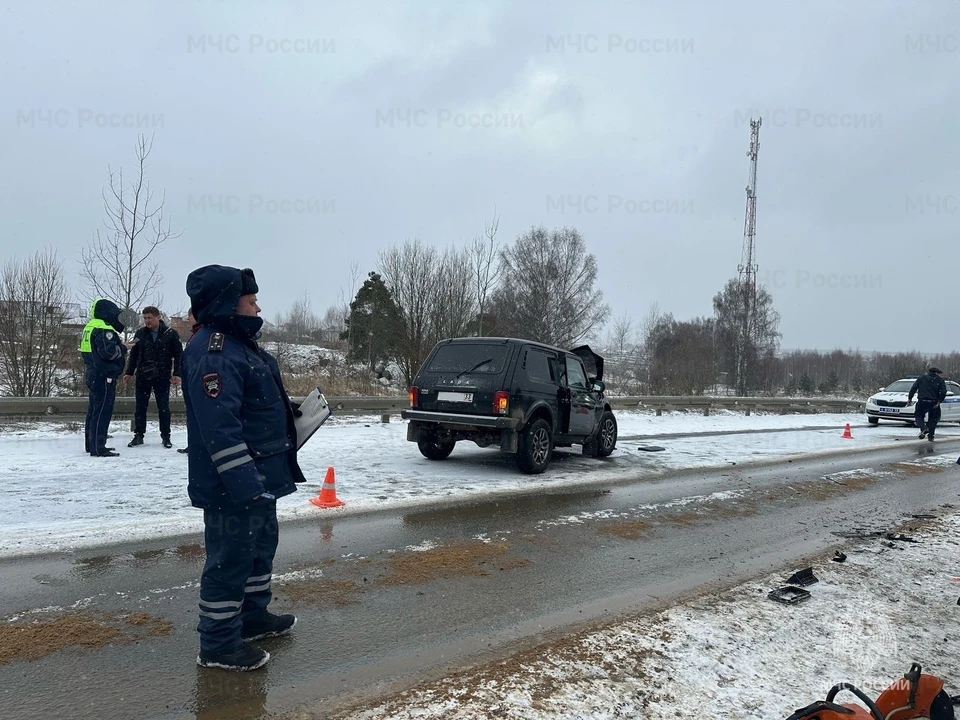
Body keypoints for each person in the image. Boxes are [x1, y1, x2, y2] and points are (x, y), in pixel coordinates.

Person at [182, 265, 304, 671]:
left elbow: (254, 408)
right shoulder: (213, 350)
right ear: (227, 305)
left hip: (261, 479)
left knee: (258, 551)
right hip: (233, 486)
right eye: (251, 300)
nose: (258, 306)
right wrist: (245, 485)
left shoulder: (240, 344)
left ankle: (252, 616)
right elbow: (220, 428)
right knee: (229, 560)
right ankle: (217, 644)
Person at [123, 306, 183, 449]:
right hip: (143, 375)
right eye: (145, 318)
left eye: (149, 318)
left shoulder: (170, 334)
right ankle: (138, 435)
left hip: (162, 375)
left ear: (158, 317)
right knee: (140, 407)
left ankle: (166, 436)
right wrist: (129, 371)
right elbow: (134, 354)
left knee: (163, 407)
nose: (147, 321)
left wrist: (177, 374)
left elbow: (179, 355)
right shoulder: (141, 333)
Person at [79, 299, 127, 457]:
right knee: (102, 411)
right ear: (107, 312)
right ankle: (99, 447)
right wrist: (124, 348)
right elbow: (109, 353)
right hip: (103, 375)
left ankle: (91, 444)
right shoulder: (103, 328)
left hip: (93, 372)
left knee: (93, 410)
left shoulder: (90, 326)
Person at [178, 308, 200, 455]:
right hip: (190, 381)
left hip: (196, 382)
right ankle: (193, 443)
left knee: (197, 418)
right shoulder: (195, 335)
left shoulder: (201, 335)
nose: (188, 318)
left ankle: (196, 445)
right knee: (193, 418)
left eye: (190, 315)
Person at [907, 367, 947, 441]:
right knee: (933, 419)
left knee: (918, 416)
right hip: (934, 402)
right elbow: (943, 392)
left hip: (922, 401)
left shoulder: (921, 378)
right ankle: (931, 435)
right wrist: (939, 401)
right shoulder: (940, 380)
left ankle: (923, 428)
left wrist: (910, 398)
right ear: (937, 373)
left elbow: (913, 388)